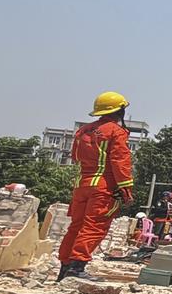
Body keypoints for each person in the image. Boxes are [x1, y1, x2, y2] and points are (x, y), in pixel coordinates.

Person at [57, 91, 135, 282]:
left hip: (82, 185)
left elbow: (75, 156)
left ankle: (65, 268)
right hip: (103, 187)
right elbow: (120, 161)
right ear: (120, 111)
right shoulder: (116, 132)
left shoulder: (83, 131)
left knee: (76, 227)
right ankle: (77, 267)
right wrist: (126, 189)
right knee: (94, 226)